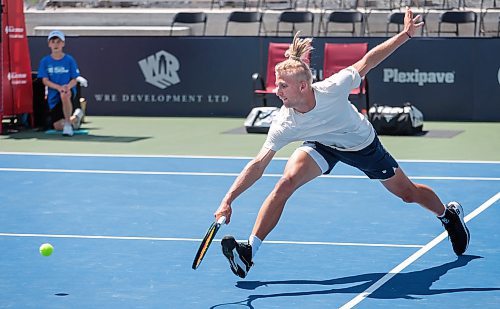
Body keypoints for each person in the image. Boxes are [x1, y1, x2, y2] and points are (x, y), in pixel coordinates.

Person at [214, 7, 470, 279]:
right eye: (277, 86)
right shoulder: (284, 121)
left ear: (303, 87)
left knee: (408, 193)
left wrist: (405, 34)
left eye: (282, 86)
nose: (277, 91)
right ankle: (249, 252)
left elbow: (369, 60)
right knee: (285, 183)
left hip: (361, 145)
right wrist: (228, 199)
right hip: (322, 144)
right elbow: (258, 164)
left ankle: (448, 216)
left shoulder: (333, 88)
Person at [37, 30, 84, 136]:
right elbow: (45, 80)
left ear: (63, 44)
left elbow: (74, 79)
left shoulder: (69, 60)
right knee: (57, 126)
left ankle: (68, 125)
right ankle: (75, 119)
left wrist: (67, 87)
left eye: (58, 42)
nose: (56, 44)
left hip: (68, 91)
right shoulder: (45, 61)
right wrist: (58, 87)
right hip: (53, 97)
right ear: (49, 44)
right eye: (53, 42)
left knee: (64, 94)